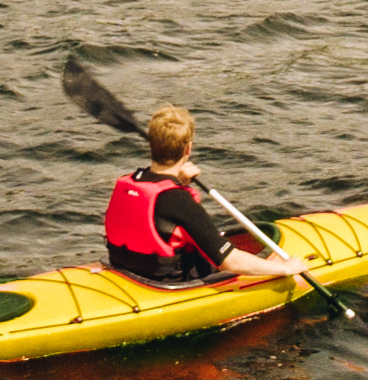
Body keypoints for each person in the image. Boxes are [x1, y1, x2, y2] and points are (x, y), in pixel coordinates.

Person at [103, 105, 301, 287]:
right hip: (166, 281)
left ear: (152, 146)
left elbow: (160, 203)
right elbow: (229, 261)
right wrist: (284, 268)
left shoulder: (130, 183)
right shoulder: (179, 201)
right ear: (188, 148)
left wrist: (177, 181)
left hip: (127, 271)